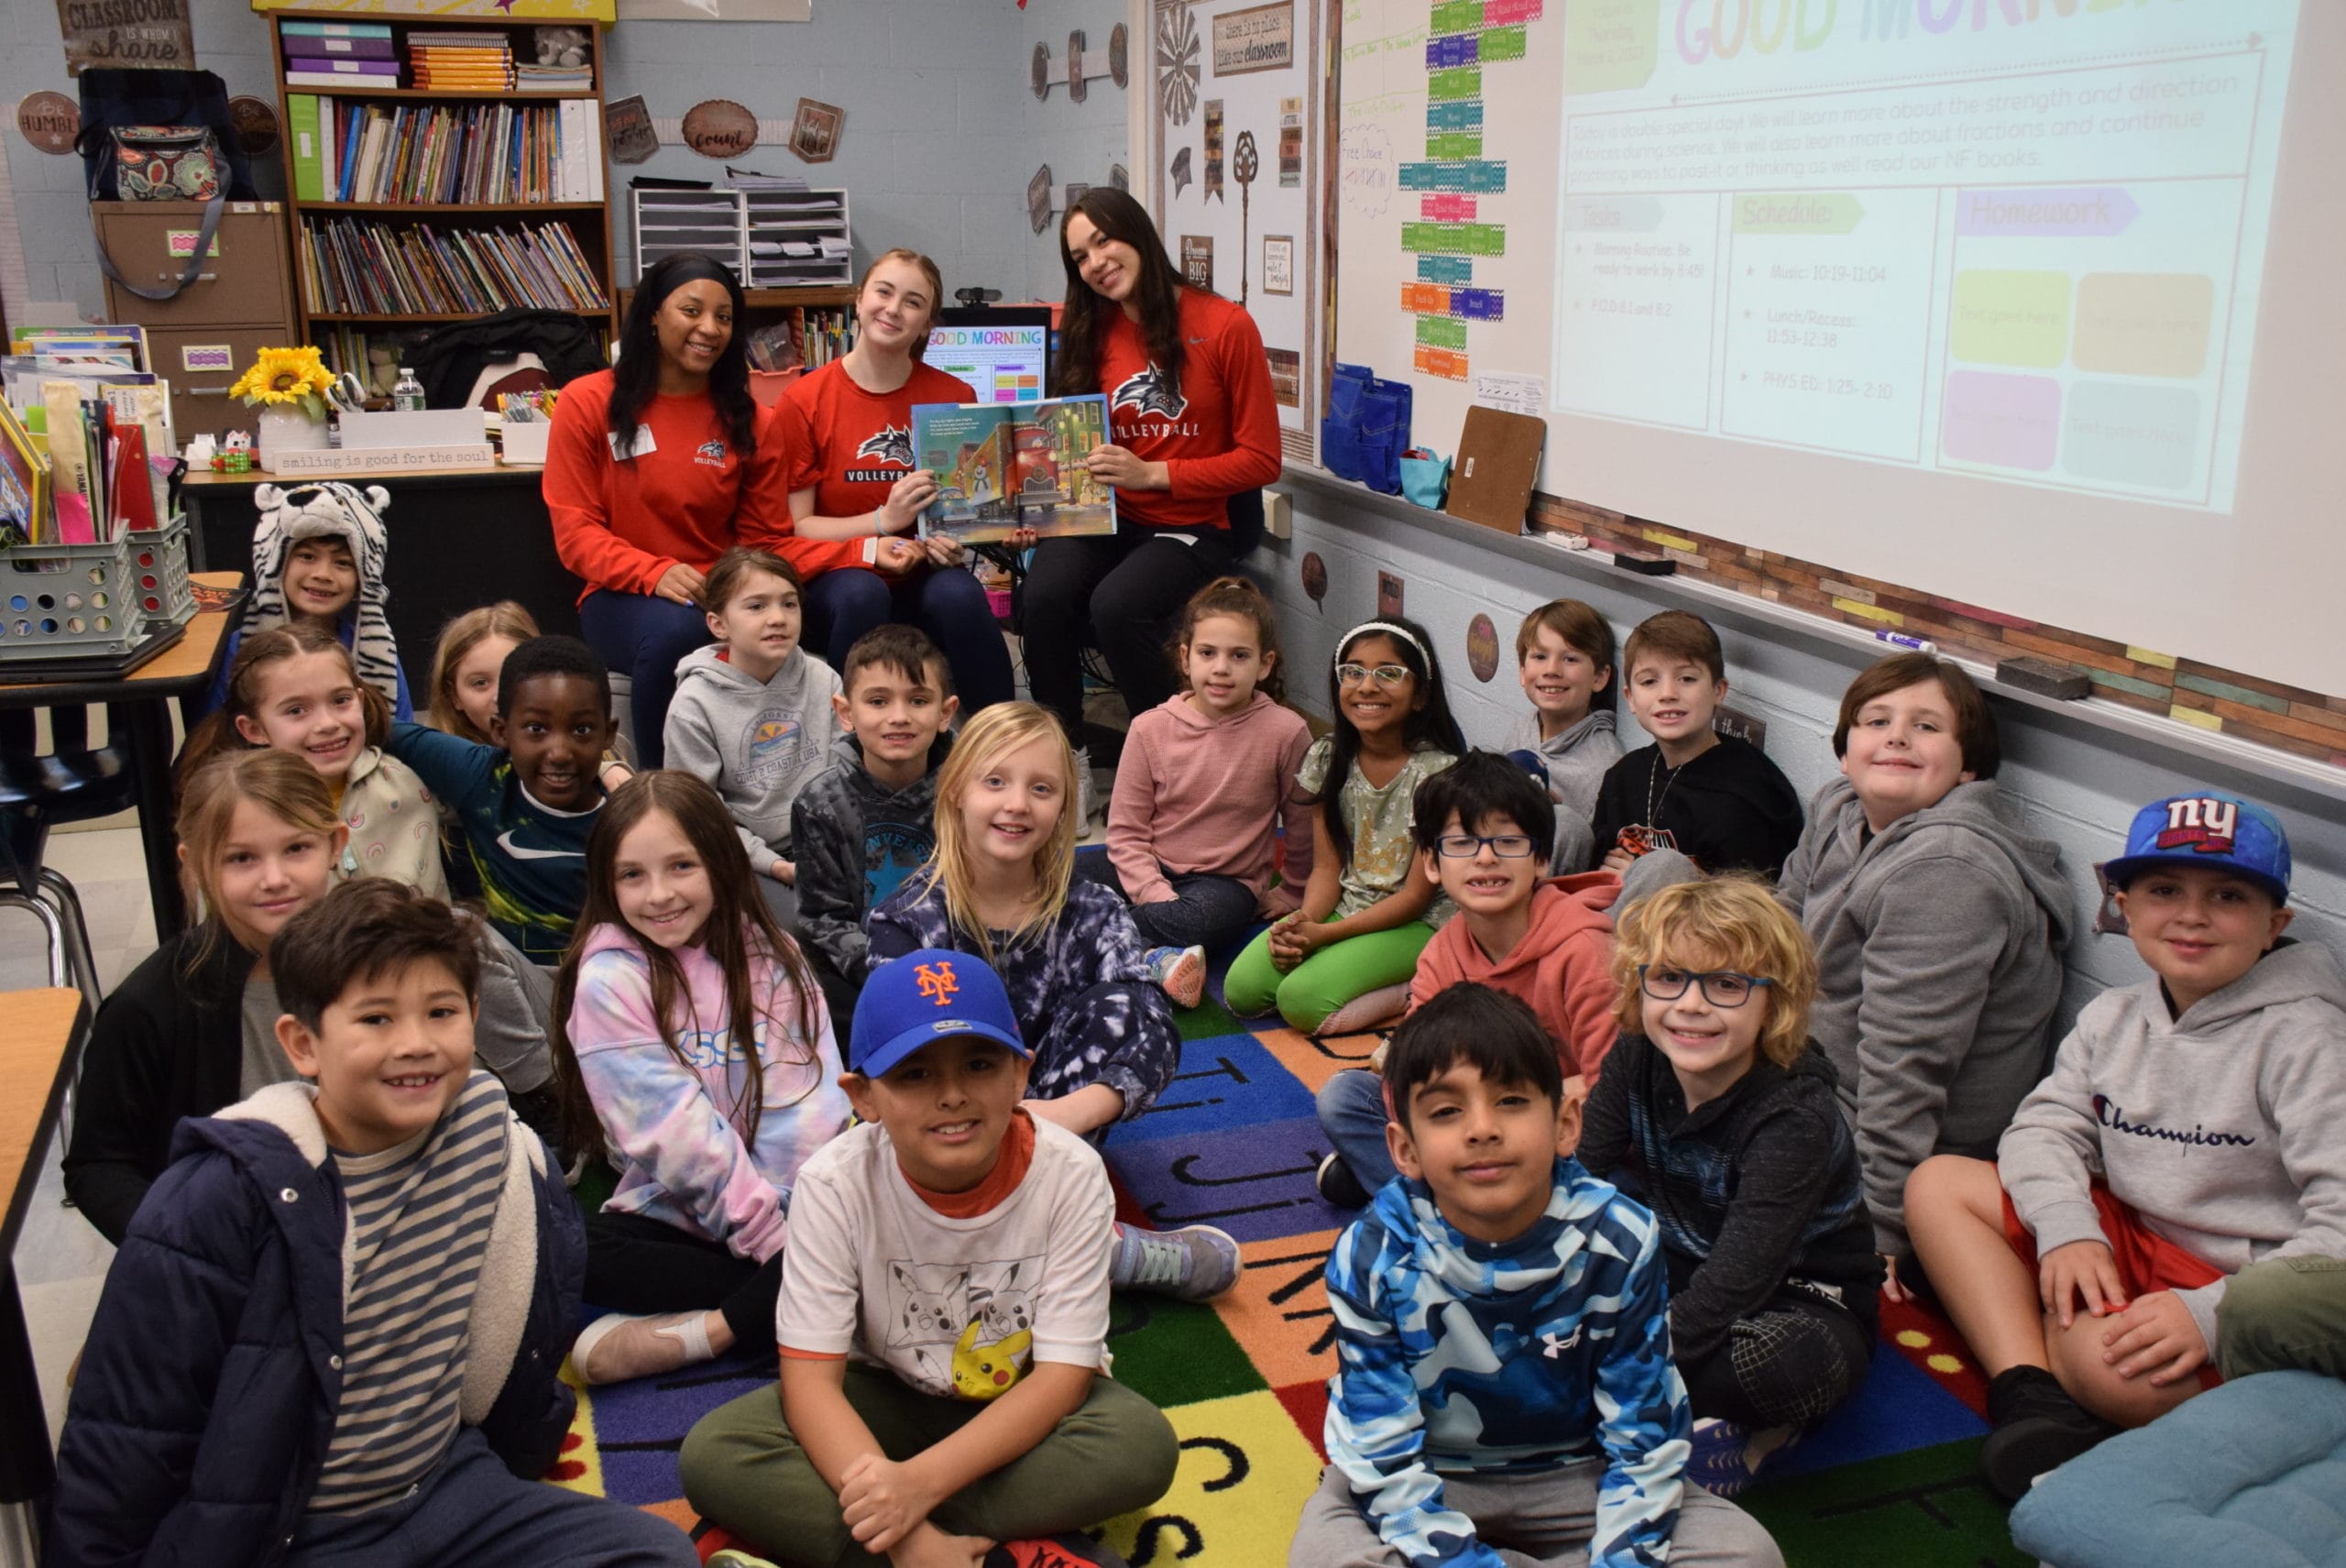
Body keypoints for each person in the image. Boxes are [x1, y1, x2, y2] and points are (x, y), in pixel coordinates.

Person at [46, 879, 698, 1568]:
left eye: (441, 1010)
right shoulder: (216, 1200)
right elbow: (126, 1438)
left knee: (655, 1553)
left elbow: (525, 1342)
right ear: (303, 1043)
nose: (415, 1043)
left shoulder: (500, 1150)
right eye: (376, 1019)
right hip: (292, 1525)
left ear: (473, 1014)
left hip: (448, 1487)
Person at [1906, 791, 2346, 1500]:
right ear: (2125, 907)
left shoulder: (2311, 1039)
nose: (2192, 915)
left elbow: (2339, 1230)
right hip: (2130, 1240)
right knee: (1937, 1183)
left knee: (2108, 1372)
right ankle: (2031, 1393)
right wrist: (2069, 1233)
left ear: (2275, 924)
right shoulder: (2114, 1014)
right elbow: (2045, 1129)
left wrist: (2210, 1316)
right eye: (2164, 890)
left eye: (2228, 895)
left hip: (2238, 1284)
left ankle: (2031, 1331)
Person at [677, 948, 1179, 1568]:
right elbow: (812, 1383)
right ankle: (954, 1553)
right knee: (716, 1450)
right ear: (863, 1095)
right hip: (885, 1393)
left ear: (1021, 1074)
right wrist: (910, 1533)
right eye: (914, 1073)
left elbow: (1060, 1379)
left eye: (978, 1063)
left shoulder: (1071, 1173)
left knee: (1140, 1446)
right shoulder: (834, 1181)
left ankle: (874, 1543)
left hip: (1018, 1402)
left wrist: (914, 1489)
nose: (952, 1095)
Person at [1289, 982, 1784, 1568]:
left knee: (1749, 1555)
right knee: (1326, 1558)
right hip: (1424, 1472)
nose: (1481, 1130)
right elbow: (1383, 1453)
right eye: (1447, 1112)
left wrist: (1621, 1558)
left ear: (1566, 1123)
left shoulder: (1621, 1238)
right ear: (1405, 1149)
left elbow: (1643, 1431)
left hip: (1580, 1472)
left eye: (1512, 1101)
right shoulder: (1370, 1255)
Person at [62, 751, 562, 1245]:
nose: (274, 878)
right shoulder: (148, 1006)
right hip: (251, 1244)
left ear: (335, 844)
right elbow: (98, 1167)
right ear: (194, 865)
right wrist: (190, 1244)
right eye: (241, 858)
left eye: (297, 849)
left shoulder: (396, 947)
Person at [865, 702, 1233, 1299]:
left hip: (1056, 1132)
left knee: (1126, 1003)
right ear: (955, 790)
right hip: (945, 1132)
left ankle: (1026, 1238)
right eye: (995, 781)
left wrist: (1057, 1117)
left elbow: (1152, 1031)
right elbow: (901, 1062)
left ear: (1065, 807)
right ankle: (1099, 1248)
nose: (1017, 803)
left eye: (1041, 788)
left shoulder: (1093, 909)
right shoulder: (905, 919)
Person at [1578, 879, 1880, 1493]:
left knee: (1789, 1365)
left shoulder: (1795, 1113)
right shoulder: (1637, 1052)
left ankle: (1757, 1428)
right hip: (1682, 1261)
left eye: (1726, 984)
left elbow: (1741, 1278)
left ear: (1775, 1002)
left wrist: (1604, 1358)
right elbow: (1579, 1176)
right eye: (1667, 977)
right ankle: (1661, 1403)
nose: (1690, 1004)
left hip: (1799, 1296)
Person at [1777, 652, 2068, 1280]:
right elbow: (1771, 935)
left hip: (1892, 1137)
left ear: (1968, 769)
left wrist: (1878, 1224)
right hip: (1809, 1073)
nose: (1897, 735)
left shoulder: (1947, 868)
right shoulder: (1839, 808)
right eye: (1875, 719)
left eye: (1927, 726)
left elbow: (1905, 1065)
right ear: (1844, 752)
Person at [554, 772, 850, 1386]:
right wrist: (778, 1248)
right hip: (677, 1217)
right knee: (566, 1244)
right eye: (631, 874)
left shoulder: (775, 957)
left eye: (681, 866)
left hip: (799, 1215)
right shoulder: (610, 979)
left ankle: (708, 1333)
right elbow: (677, 1138)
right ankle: (827, 1310)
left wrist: (803, 1229)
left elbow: (809, 1113)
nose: (659, 893)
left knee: (886, 1206)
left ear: (719, 863)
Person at [1025, 189, 1282, 817]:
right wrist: (1034, 508)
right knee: (1042, 594)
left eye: (1103, 241)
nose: (1096, 262)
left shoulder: (1226, 325)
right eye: (1079, 256)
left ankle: (1165, 764)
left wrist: (1153, 473)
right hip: (1108, 517)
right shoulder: (1088, 328)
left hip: (1195, 523)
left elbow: (1261, 460)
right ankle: (1068, 761)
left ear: (1137, 232)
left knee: (1118, 605)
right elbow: (1068, 442)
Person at [1314, 751, 1623, 1206]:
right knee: (1344, 1097)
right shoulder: (1442, 951)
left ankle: (1420, 1198)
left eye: (1507, 843)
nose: (1485, 859)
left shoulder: (1585, 951)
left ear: (1540, 859)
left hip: (1559, 1139)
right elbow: (1410, 1074)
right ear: (1432, 864)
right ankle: (1452, 1208)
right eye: (1461, 844)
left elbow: (1611, 1096)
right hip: (1468, 1126)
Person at [545, 253, 795, 766]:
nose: (709, 329)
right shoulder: (586, 402)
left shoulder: (754, 421)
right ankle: (664, 793)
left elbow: (760, 541)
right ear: (654, 315)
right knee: (677, 632)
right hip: (619, 597)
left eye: (724, 318)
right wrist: (653, 573)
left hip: (718, 592)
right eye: (692, 310)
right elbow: (575, 531)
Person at [779, 247, 1018, 712]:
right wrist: (883, 522)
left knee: (961, 596)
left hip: (923, 572)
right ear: (859, 299)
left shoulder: (954, 396)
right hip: (840, 574)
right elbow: (799, 528)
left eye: (912, 302)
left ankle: (1000, 739)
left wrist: (958, 541)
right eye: (883, 292)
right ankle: (848, 744)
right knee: (860, 593)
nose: (892, 309)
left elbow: (964, 506)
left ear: (927, 323)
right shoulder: (804, 400)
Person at [1224, 617, 1464, 1036]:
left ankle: (1422, 984)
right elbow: (1325, 868)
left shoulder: (1439, 776)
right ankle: (1342, 958)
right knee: (1243, 990)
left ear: (1422, 694)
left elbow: (1414, 897)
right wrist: (1304, 924)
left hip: (1420, 922)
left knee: (1301, 1003)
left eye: (1388, 673)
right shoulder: (1329, 756)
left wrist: (1325, 937)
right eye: (1352, 672)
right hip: (1347, 905)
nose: (1367, 686)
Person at [1088, 576, 1313, 1009]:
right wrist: (1154, 892)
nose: (1221, 668)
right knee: (1054, 881)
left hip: (1224, 885)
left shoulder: (1286, 732)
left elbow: (1303, 823)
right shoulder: (1149, 728)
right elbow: (1127, 832)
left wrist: (1293, 889)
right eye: (1208, 653)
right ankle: (1150, 955)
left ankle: (1082, 941)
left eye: (1239, 656)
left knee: (1206, 921)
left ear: (1265, 665)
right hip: (1150, 868)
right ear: (1185, 657)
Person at [388, 634, 620, 963]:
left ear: (607, 733)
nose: (559, 753)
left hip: (609, 979)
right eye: (536, 729)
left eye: (581, 730)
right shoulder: (482, 777)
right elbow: (379, 727)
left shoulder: (628, 815)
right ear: (501, 731)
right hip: (515, 977)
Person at [181, 623, 447, 899]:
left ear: (360, 700)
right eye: (296, 710)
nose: (327, 723)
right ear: (254, 730)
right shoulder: (235, 810)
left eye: (340, 700)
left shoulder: (406, 779)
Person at [791, 624, 959, 1033]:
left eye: (918, 700)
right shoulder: (819, 804)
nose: (898, 717)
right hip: (865, 971)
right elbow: (822, 918)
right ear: (846, 712)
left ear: (945, 713)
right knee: (809, 994)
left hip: (957, 964)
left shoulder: (967, 793)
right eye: (878, 701)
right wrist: (890, 972)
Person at [662, 547, 840, 923]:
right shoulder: (694, 704)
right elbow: (700, 815)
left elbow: (846, 773)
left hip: (830, 841)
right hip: (747, 856)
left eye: (789, 604)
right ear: (718, 624)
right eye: (757, 606)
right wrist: (773, 864)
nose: (777, 618)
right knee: (796, 932)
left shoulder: (824, 678)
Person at [1590, 611, 1803, 879]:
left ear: (1719, 691)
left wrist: (1645, 879)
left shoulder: (1747, 798)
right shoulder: (1623, 777)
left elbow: (1750, 913)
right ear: (1630, 698)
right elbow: (1597, 878)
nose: (1667, 694)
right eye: (1649, 681)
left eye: (1687, 679)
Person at [207, 479, 413, 720]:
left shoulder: (379, 654)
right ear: (275, 560)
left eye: (343, 563)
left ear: (364, 577)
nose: (323, 575)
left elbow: (403, 731)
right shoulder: (235, 651)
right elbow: (213, 740)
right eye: (307, 556)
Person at [1505, 598, 1621, 874]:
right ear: (1523, 671)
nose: (1552, 670)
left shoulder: (1607, 766)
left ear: (1600, 677)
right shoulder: (1522, 729)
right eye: (1540, 656)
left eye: (1570, 659)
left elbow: (1588, 858)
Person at [428, 599, 541, 745]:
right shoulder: (433, 763)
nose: (500, 698)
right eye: (480, 683)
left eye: (515, 677)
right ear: (454, 695)